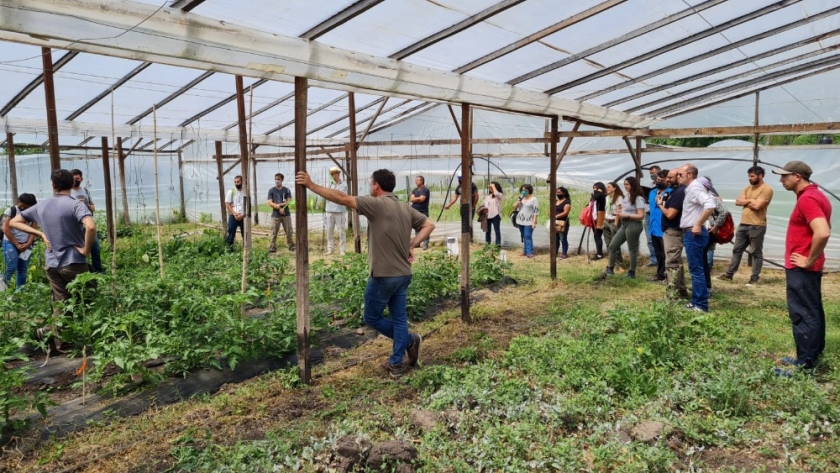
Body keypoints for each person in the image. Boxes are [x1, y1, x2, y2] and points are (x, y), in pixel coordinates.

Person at [295, 169, 435, 377]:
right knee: (399, 319)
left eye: (371, 183)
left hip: (383, 276)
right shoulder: (405, 208)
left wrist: (311, 185)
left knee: (371, 317)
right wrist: (412, 244)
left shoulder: (376, 204)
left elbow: (342, 198)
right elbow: (429, 224)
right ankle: (396, 364)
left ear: (376, 185)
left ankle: (409, 340)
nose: (370, 187)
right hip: (403, 274)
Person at [11, 169, 96, 355]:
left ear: (53, 185)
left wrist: (39, 233)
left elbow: (13, 222)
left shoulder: (41, 206)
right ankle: (87, 336)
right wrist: (86, 250)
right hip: (75, 262)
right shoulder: (75, 205)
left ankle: (60, 342)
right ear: (72, 184)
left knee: (61, 302)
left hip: (52, 264)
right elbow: (90, 226)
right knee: (89, 298)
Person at [771, 161, 831, 376]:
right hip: (807, 266)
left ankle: (805, 366)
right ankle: (811, 356)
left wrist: (808, 260)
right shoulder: (816, 195)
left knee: (802, 313)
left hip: (803, 268)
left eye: (784, 176)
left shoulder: (808, 199)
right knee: (812, 310)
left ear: (797, 176)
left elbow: (822, 232)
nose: (781, 180)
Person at [719, 165, 773, 286]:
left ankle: (754, 277)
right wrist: (751, 200)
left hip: (757, 225)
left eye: (752, 176)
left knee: (756, 252)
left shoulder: (766, 189)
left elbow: (758, 206)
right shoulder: (747, 188)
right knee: (737, 250)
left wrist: (746, 200)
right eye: (749, 176)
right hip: (743, 224)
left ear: (760, 176)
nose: (750, 178)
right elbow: (738, 202)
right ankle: (729, 274)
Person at [679, 164, 716, 312]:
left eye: (680, 174)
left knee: (696, 270)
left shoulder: (695, 188)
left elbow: (710, 204)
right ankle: (696, 301)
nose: (678, 177)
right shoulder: (691, 189)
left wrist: (698, 224)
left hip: (694, 233)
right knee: (696, 269)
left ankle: (700, 304)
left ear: (690, 175)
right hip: (692, 233)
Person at [600, 177, 646, 279]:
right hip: (625, 224)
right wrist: (618, 213)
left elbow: (641, 215)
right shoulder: (627, 196)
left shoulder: (639, 198)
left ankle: (631, 272)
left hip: (634, 225)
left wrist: (627, 216)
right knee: (612, 246)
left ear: (633, 185)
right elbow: (624, 210)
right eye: (624, 184)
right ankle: (610, 268)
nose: (625, 186)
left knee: (632, 250)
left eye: (628, 184)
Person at [656, 168, 689, 300]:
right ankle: (681, 290)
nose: (667, 180)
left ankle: (671, 295)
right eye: (667, 177)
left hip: (673, 231)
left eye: (671, 177)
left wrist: (660, 205)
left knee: (672, 263)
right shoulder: (677, 191)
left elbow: (670, 214)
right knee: (677, 262)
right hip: (672, 231)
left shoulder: (680, 192)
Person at [698, 176, 728, 295]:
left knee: (703, 258)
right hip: (701, 230)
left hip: (708, 230)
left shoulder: (711, 197)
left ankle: (707, 288)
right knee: (700, 258)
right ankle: (702, 285)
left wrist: (716, 226)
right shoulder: (699, 196)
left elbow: (724, 211)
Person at [2, 193, 38, 290]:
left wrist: (28, 244)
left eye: (25, 207)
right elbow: (5, 229)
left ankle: (20, 293)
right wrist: (17, 244)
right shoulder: (11, 211)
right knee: (10, 267)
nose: (21, 208)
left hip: (26, 244)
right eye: (20, 205)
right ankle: (3, 290)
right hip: (10, 242)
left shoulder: (34, 213)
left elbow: (33, 230)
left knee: (22, 270)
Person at [70, 169, 103, 273]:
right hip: (75, 226)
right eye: (73, 179)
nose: (75, 181)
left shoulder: (85, 191)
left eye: (77, 179)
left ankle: (98, 271)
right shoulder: (68, 192)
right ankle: (81, 272)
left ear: (81, 179)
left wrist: (91, 207)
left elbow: (92, 205)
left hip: (87, 224)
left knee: (95, 249)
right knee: (78, 249)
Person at [648, 170, 669, 282]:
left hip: (664, 228)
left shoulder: (670, 192)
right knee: (658, 253)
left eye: (662, 180)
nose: (659, 181)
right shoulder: (652, 192)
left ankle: (667, 275)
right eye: (658, 180)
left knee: (666, 253)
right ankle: (660, 273)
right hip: (653, 227)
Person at [267, 173, 295, 253]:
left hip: (286, 214)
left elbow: (289, 201)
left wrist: (280, 205)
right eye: (276, 179)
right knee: (274, 231)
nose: (277, 181)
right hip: (275, 215)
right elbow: (269, 202)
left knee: (289, 231)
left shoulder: (286, 190)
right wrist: (278, 207)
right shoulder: (271, 190)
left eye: (279, 179)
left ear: (282, 180)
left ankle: (291, 245)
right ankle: (272, 246)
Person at [445, 175, 479, 241]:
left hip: (470, 207)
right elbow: (455, 197)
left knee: (469, 221)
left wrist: (473, 205)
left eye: (461, 179)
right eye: (459, 179)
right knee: (464, 221)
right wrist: (449, 205)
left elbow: (476, 196)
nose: (460, 180)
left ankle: (470, 238)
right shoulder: (459, 187)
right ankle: (464, 237)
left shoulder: (472, 185)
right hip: (463, 207)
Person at [325, 166, 348, 255]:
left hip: (340, 211)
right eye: (331, 174)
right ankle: (330, 249)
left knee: (341, 231)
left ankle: (342, 250)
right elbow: (327, 195)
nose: (332, 175)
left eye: (333, 173)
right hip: (329, 210)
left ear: (338, 174)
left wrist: (331, 194)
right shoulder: (328, 184)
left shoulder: (343, 184)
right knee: (329, 231)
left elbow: (340, 196)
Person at [603, 182, 625, 266]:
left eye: (609, 187)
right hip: (607, 221)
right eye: (606, 187)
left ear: (614, 188)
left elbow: (619, 211)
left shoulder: (619, 197)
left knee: (615, 243)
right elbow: (606, 210)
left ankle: (619, 263)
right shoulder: (607, 197)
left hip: (613, 222)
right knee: (608, 243)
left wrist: (616, 223)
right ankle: (611, 262)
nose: (607, 188)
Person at [513, 184, 538, 258]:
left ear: (529, 190)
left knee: (528, 236)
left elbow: (536, 211)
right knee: (524, 236)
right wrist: (519, 199)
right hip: (520, 220)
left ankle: (530, 252)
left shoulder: (534, 199)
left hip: (529, 221)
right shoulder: (521, 198)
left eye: (525, 190)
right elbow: (514, 206)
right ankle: (525, 251)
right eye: (523, 190)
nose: (524, 191)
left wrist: (534, 222)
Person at [645, 165, 662, 267]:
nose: (652, 175)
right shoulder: (649, 186)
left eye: (653, 173)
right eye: (650, 173)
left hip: (659, 214)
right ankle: (653, 260)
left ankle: (661, 258)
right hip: (648, 215)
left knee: (659, 237)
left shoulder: (665, 186)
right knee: (649, 239)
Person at [409, 175, 431, 250]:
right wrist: (418, 198)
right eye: (415, 180)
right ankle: (417, 243)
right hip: (415, 211)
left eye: (417, 180)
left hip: (423, 211)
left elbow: (422, 199)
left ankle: (425, 243)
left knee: (425, 227)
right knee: (416, 227)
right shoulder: (414, 190)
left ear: (421, 181)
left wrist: (416, 198)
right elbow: (411, 199)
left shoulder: (425, 190)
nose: (416, 181)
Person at [226, 175, 246, 248]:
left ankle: (246, 248)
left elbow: (249, 205)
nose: (236, 183)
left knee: (245, 233)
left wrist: (243, 215)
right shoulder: (231, 191)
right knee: (231, 232)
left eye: (238, 182)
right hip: (233, 216)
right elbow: (227, 204)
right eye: (235, 182)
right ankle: (229, 249)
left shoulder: (246, 191)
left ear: (242, 182)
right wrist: (234, 214)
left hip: (243, 216)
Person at [481, 182, 504, 246]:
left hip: (496, 215)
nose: (490, 188)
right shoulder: (487, 196)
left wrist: (493, 186)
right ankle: (487, 245)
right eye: (490, 187)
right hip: (487, 215)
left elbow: (496, 193)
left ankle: (497, 245)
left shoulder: (499, 195)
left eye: (491, 187)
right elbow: (483, 204)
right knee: (487, 231)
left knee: (497, 231)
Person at [591, 182, 607, 260]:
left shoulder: (603, 196)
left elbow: (597, 197)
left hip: (601, 218)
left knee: (603, 235)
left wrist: (598, 192)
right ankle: (599, 253)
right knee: (597, 236)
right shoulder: (595, 196)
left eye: (596, 188)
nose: (594, 190)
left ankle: (600, 254)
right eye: (593, 188)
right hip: (595, 218)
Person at [554, 186, 571, 259]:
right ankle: (555, 252)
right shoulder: (555, 201)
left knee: (563, 238)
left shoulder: (567, 201)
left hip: (562, 223)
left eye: (559, 192)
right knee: (555, 239)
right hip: (554, 222)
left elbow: (566, 212)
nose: (558, 194)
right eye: (557, 192)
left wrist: (556, 216)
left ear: (563, 193)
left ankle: (564, 253)